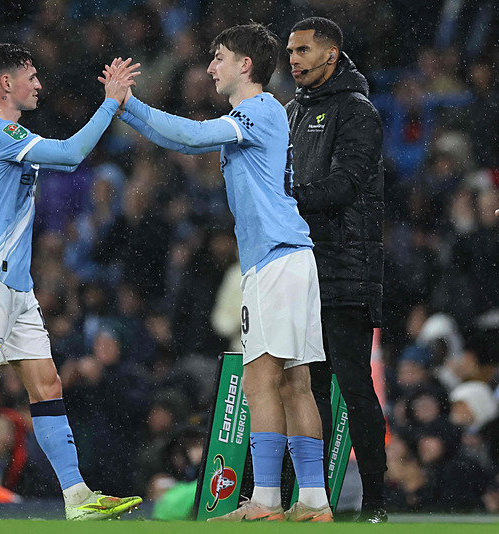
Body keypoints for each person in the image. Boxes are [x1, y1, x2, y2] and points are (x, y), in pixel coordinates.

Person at [105, 23, 331, 522]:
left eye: (219, 58)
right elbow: (188, 141)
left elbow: (190, 137)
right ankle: (313, 501)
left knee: (260, 381)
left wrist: (131, 106)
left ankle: (267, 501)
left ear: (245, 65)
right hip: (289, 258)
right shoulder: (261, 115)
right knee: (294, 384)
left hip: (275, 262)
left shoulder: (259, 109)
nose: (211, 67)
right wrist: (127, 110)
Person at [0, 43, 142, 521]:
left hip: (15, 286)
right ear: (5, 84)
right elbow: (73, 154)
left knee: (47, 383)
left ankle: (76, 497)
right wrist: (110, 103)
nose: (38, 84)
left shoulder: (11, 136)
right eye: (30, 75)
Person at [284, 17, 387, 523]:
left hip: (347, 270)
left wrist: (283, 203)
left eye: (303, 50)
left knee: (354, 388)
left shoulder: (358, 111)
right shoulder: (291, 112)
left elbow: (345, 185)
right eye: (290, 51)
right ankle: (312, 500)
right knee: (308, 389)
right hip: (302, 270)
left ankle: (377, 502)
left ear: (331, 54)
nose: (293, 59)